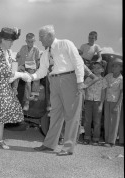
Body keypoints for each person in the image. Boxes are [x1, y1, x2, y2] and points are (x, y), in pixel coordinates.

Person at [22, 25, 85, 156]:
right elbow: (42, 71)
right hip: (53, 81)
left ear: (50, 35)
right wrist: (30, 77)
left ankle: (68, 147)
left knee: (71, 115)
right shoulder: (45, 53)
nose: (40, 40)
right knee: (55, 114)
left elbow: (78, 61)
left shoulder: (65, 44)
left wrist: (80, 81)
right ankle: (49, 144)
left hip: (69, 79)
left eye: (41, 37)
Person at [14, 33, 41, 111]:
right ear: (26, 41)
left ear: (34, 41)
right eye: (28, 41)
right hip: (23, 66)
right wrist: (17, 59)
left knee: (28, 82)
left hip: (31, 68)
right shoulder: (23, 47)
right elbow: (18, 57)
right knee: (16, 73)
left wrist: (36, 69)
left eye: (32, 41)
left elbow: (37, 61)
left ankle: (27, 102)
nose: (30, 43)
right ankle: (14, 90)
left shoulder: (36, 49)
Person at [83, 62, 107, 145]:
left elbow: (103, 93)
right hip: (88, 101)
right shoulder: (88, 79)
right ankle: (87, 137)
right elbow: (85, 90)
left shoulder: (103, 80)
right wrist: (84, 102)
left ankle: (96, 138)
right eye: (94, 68)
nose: (96, 69)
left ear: (102, 70)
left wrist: (101, 105)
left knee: (97, 121)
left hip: (97, 102)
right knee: (87, 121)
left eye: (98, 67)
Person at [104, 58, 123, 147]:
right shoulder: (108, 76)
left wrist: (117, 105)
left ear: (120, 68)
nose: (114, 67)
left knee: (114, 122)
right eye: (113, 66)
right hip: (107, 100)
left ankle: (112, 141)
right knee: (107, 121)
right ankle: (106, 139)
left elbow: (122, 93)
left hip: (116, 102)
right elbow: (103, 86)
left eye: (116, 66)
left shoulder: (121, 79)